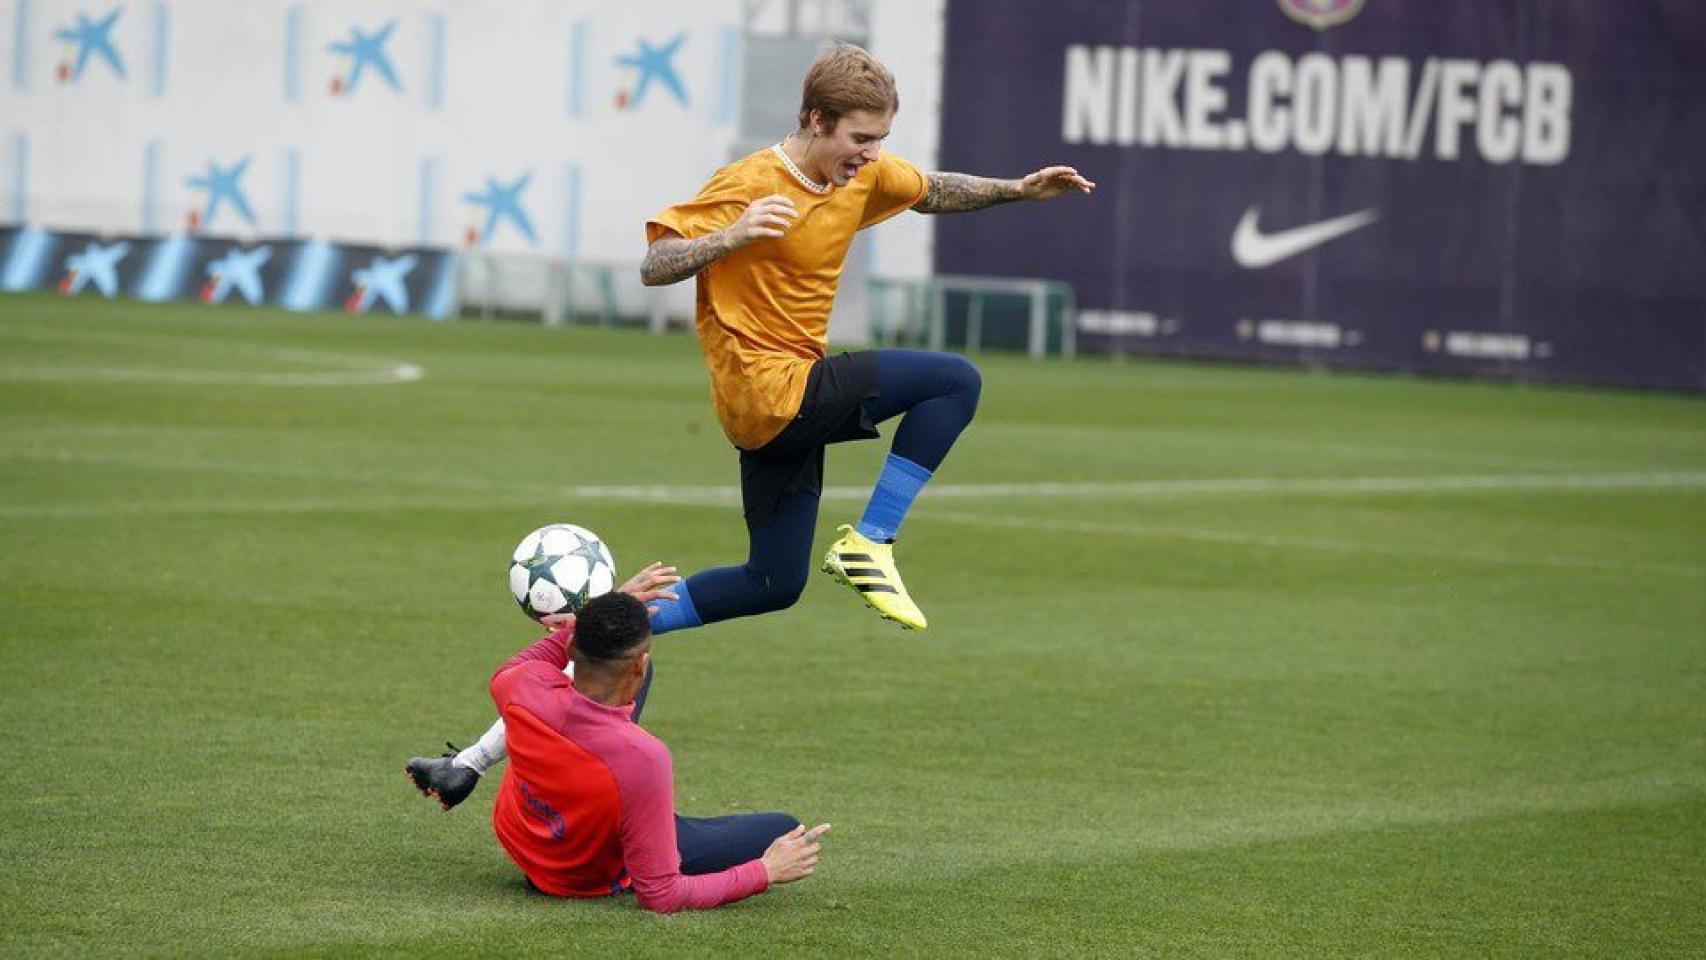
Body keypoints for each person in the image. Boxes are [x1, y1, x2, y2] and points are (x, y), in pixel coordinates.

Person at [637, 42, 1093, 639]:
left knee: (773, 582)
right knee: (954, 381)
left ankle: (604, 628)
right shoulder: (749, 183)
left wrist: (1018, 190)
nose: (872, 153)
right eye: (860, 138)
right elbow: (655, 264)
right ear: (816, 120)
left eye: (880, 139)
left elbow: (930, 190)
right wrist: (731, 236)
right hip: (772, 391)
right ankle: (871, 543)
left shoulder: (864, 174)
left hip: (776, 407)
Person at [482, 591, 829, 911]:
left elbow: (534, 657)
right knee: (783, 829)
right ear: (639, 663)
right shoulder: (643, 758)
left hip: (524, 841)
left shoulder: (519, 683)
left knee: (608, 747)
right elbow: (662, 894)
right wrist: (766, 870)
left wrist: (610, 609)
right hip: (579, 876)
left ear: (571, 645)